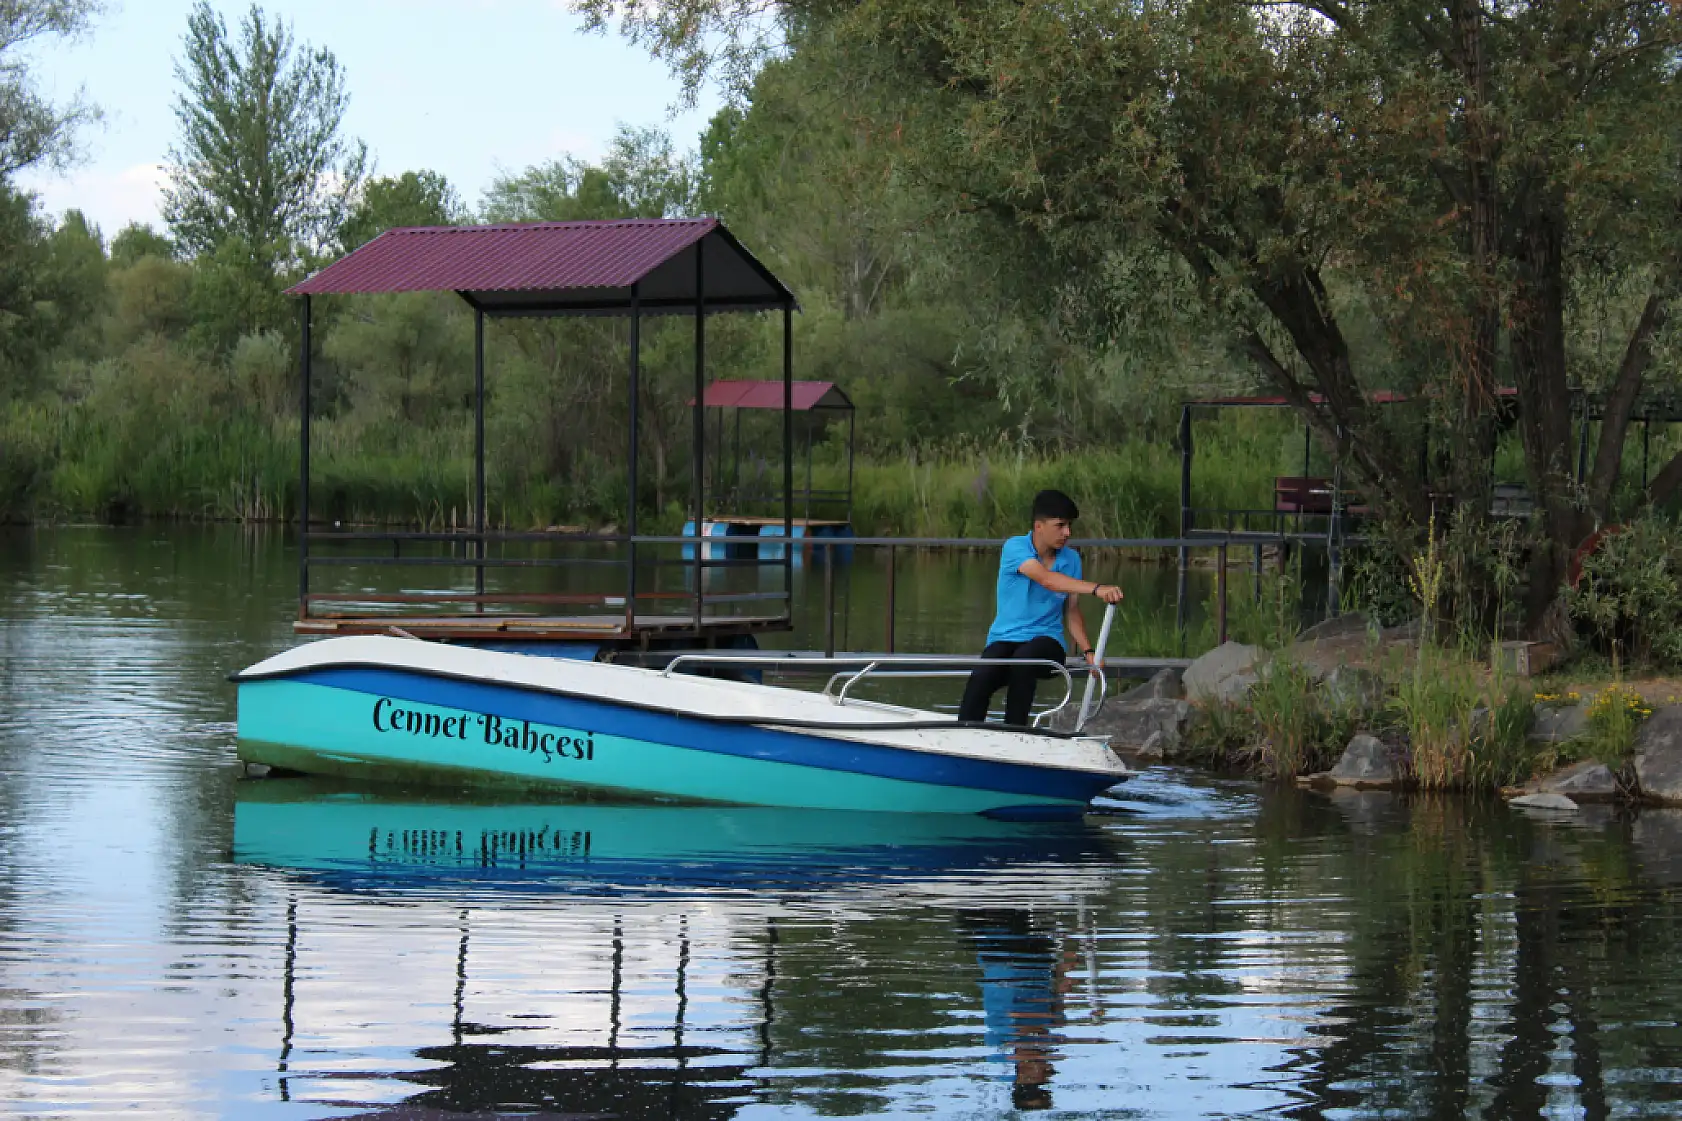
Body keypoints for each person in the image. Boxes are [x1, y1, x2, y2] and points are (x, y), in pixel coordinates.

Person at [958, 490, 1124, 726]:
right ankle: (963, 732)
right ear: (1039, 526)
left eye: (1069, 526)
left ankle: (1016, 731)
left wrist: (1089, 651)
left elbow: (1072, 611)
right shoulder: (1015, 547)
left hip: (1047, 642)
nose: (1067, 533)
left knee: (1023, 661)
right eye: (1060, 525)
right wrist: (1097, 588)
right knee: (982, 675)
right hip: (1005, 638)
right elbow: (1046, 579)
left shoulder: (1071, 559)